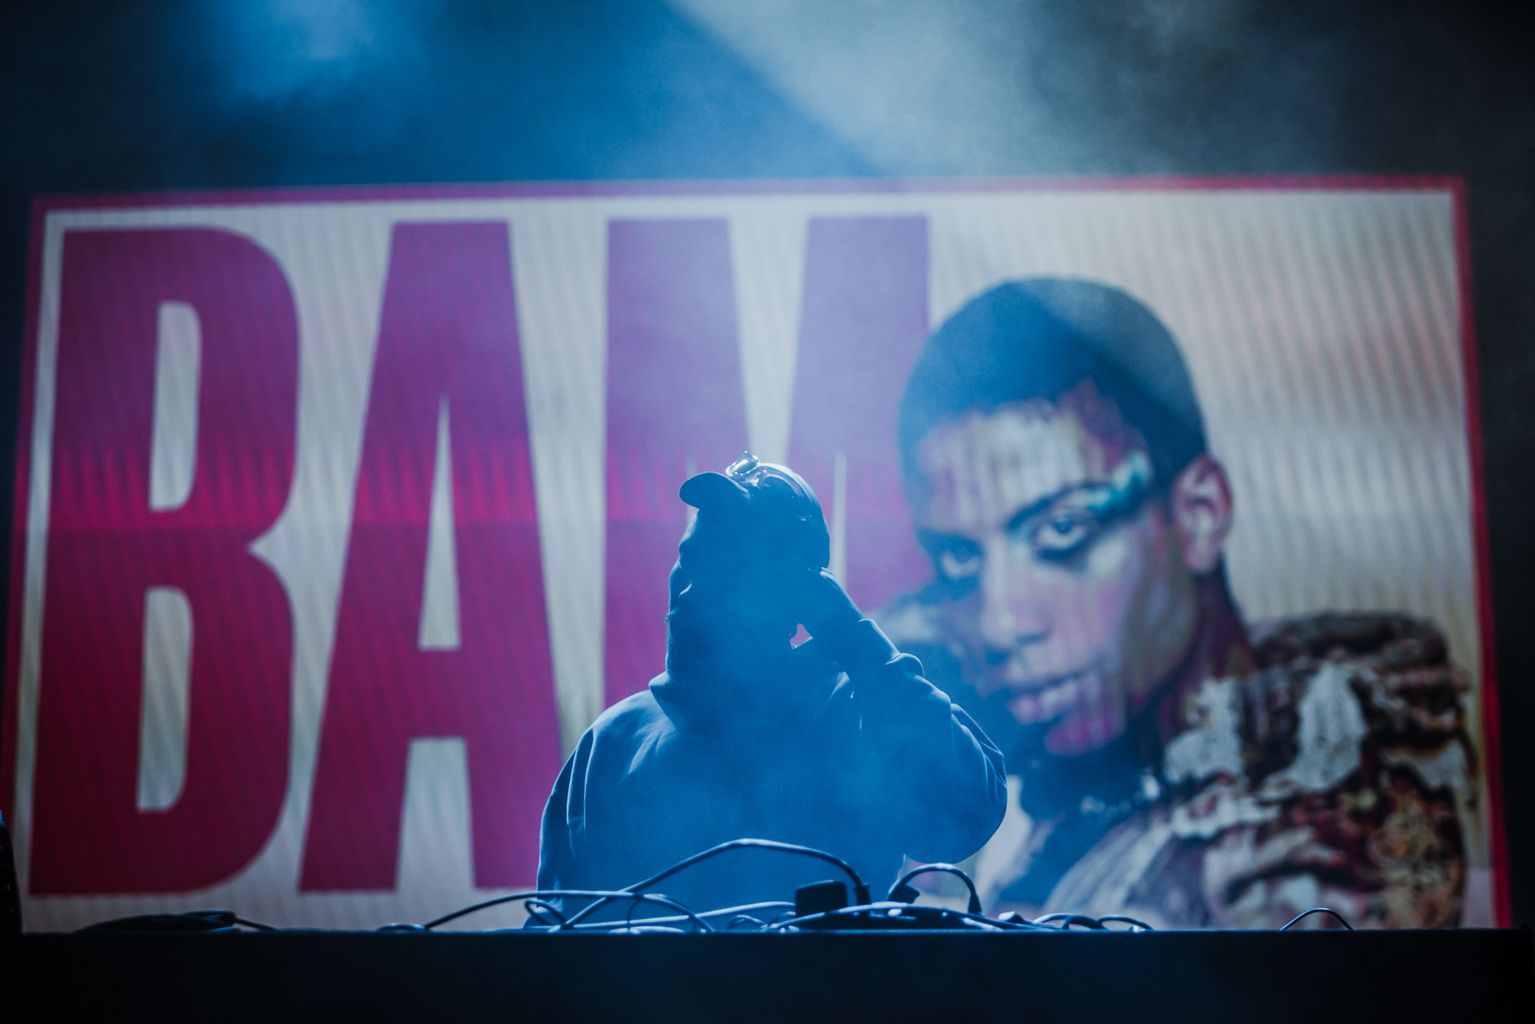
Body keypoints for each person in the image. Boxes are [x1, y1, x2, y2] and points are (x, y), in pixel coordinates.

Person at [880, 278, 1476, 928]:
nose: (998, 622)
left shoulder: (1314, 837)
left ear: (1199, 514)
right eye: (959, 558)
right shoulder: (1081, 770)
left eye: (1062, 531)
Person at [537, 454, 1006, 920]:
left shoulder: (856, 713)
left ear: (796, 594)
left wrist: (856, 642)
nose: (691, 586)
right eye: (690, 559)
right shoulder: (612, 741)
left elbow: (960, 818)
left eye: (724, 567)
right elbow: (553, 936)